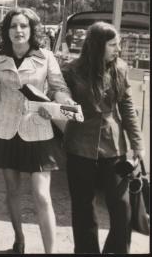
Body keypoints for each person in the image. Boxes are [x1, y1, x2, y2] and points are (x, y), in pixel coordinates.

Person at [0, 8, 74, 254]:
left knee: (42, 195)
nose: (18, 31)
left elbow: (58, 87)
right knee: (12, 190)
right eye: (13, 26)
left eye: (23, 26)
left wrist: (59, 105)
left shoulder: (46, 56)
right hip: (5, 130)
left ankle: (50, 251)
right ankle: (19, 239)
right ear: (7, 30)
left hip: (38, 129)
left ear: (32, 30)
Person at [61, 21, 144, 254]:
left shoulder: (121, 68)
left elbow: (127, 107)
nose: (118, 49)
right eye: (113, 45)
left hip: (114, 146)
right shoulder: (71, 70)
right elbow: (59, 104)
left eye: (118, 44)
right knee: (83, 208)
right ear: (97, 46)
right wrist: (67, 107)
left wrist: (138, 144)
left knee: (122, 208)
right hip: (79, 145)